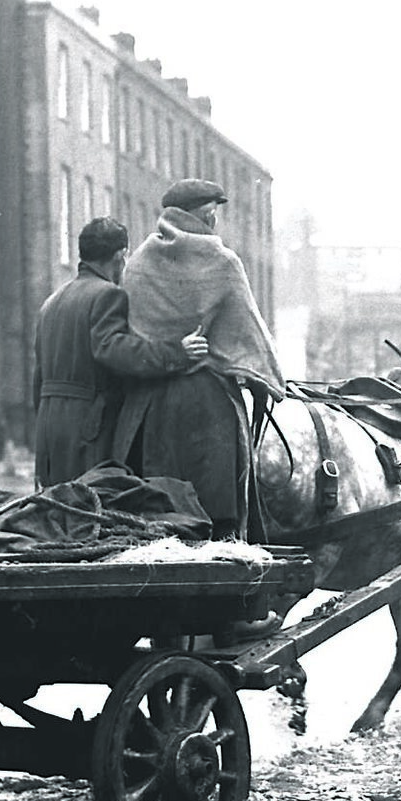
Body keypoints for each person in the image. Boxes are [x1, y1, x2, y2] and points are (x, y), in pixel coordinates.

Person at [113, 179, 286, 540]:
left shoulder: (138, 263)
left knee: (152, 505)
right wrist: (272, 381)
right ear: (205, 216)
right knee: (215, 504)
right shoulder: (222, 263)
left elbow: (130, 332)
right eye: (214, 214)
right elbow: (249, 335)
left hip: (147, 405)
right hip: (204, 405)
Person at [31, 217, 192, 490]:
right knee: (91, 509)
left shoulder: (51, 303)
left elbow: (38, 378)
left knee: (55, 512)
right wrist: (177, 352)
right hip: (88, 428)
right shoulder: (108, 295)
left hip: (49, 428)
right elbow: (114, 349)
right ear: (120, 256)